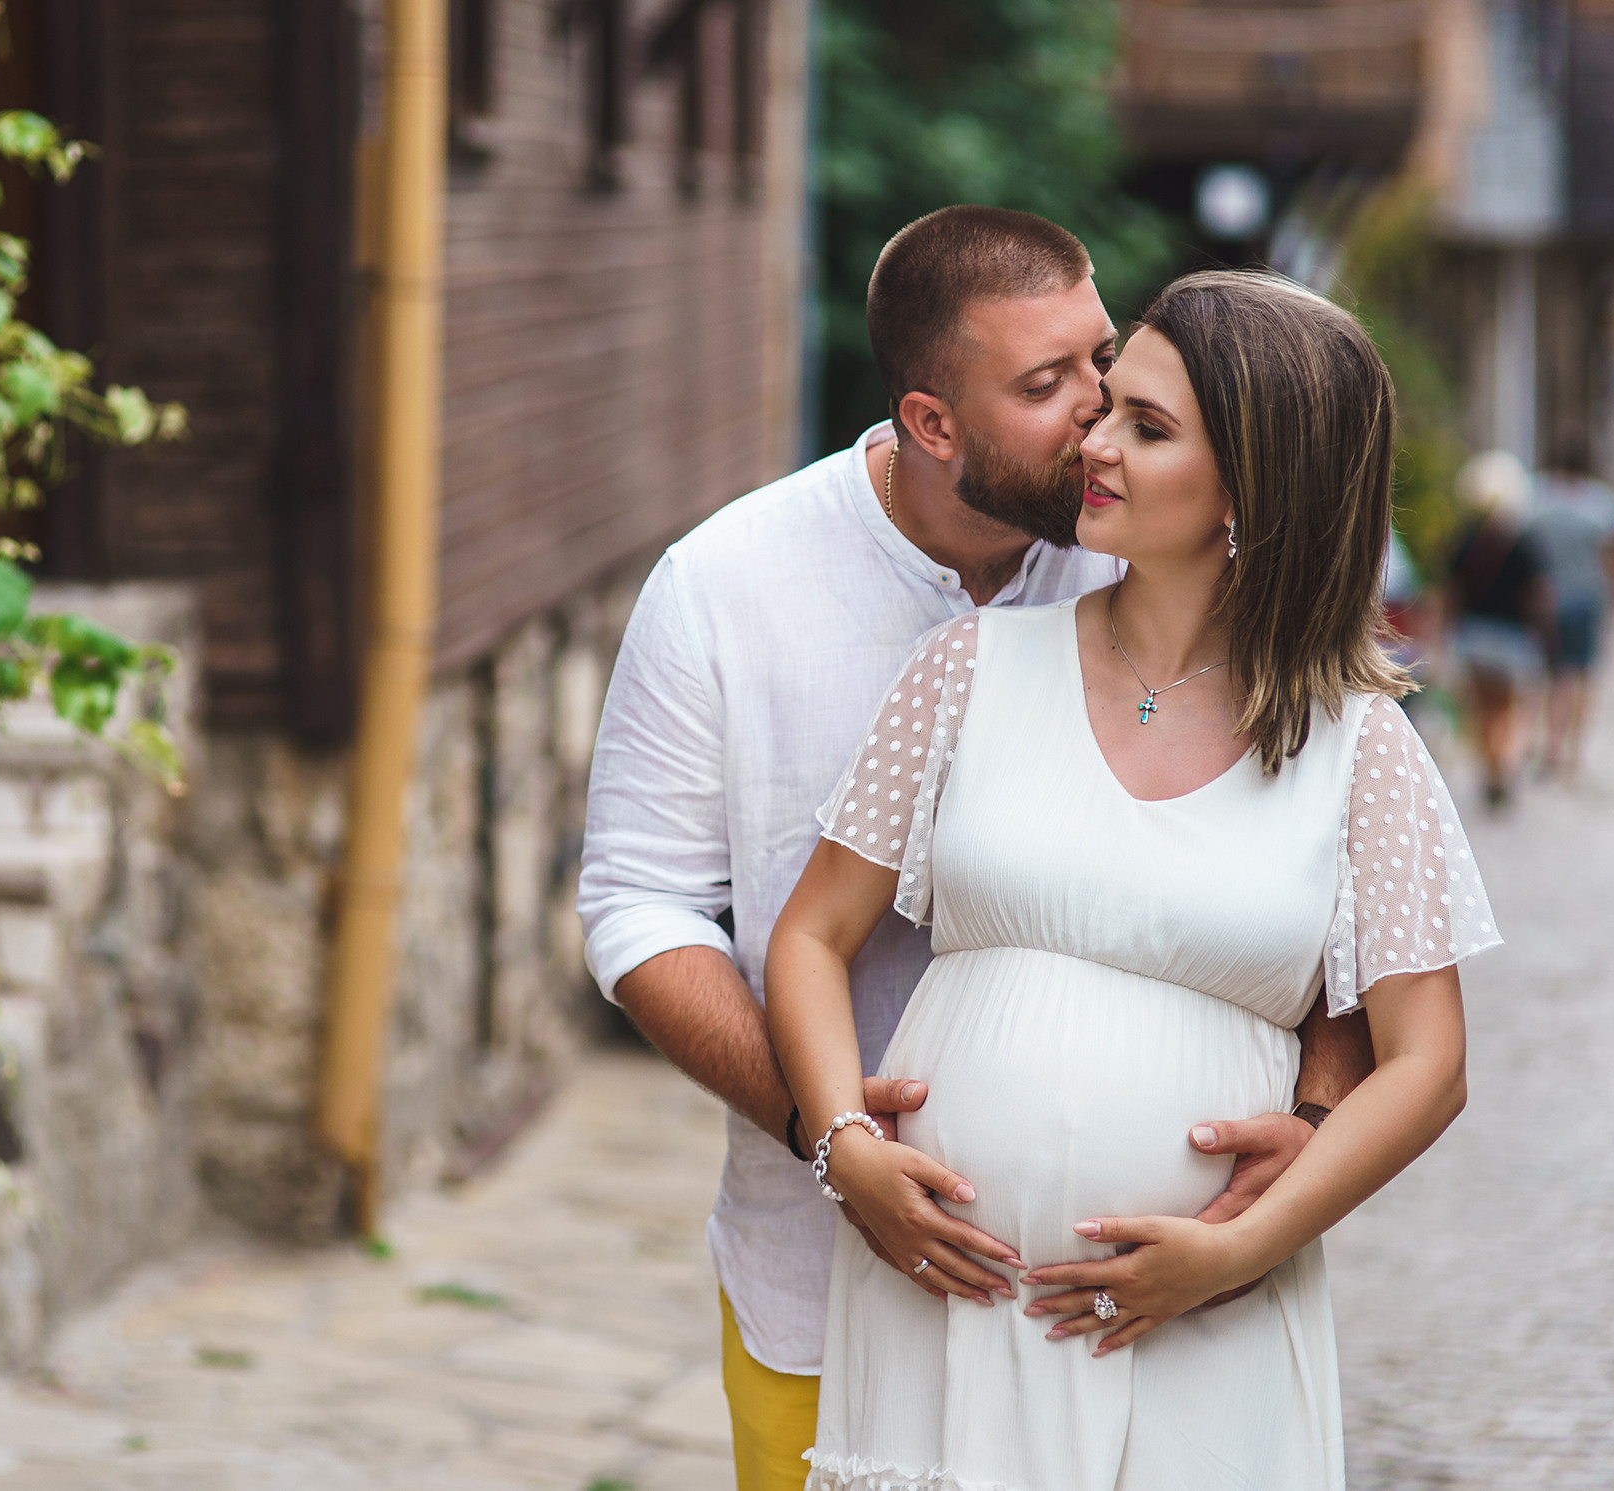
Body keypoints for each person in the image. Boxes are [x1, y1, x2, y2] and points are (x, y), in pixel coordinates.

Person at [577, 210, 1374, 1491]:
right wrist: (827, 1133)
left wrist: (1320, 1113)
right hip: (824, 1282)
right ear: (931, 422)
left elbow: (1334, 887)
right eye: (1045, 384)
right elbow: (638, 907)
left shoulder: (1151, 551)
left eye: (1101, 359)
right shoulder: (723, 587)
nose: (1098, 409)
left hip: (1152, 1312)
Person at [768, 271, 1499, 1491]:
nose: (1094, 443)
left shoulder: (1356, 746)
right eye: (1110, 407)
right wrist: (846, 1148)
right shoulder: (969, 668)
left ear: (1254, 488)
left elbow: (1428, 1063)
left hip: (1200, 1318)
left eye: (1147, 429)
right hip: (947, 1300)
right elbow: (807, 936)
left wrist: (1243, 1247)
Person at [1523, 438, 1614, 779]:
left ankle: (1544, 743)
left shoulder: (1535, 497)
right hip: (1588, 598)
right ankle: (1572, 751)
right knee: (1583, 675)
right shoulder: (1603, 504)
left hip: (1545, 599)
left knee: (1546, 674)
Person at [1444, 450, 1548, 807]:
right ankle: (1503, 765)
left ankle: (1491, 767)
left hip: (1472, 634)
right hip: (1511, 637)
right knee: (1509, 708)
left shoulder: (1465, 541)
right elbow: (1537, 595)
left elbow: (1450, 593)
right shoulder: (1522, 545)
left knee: (1480, 710)